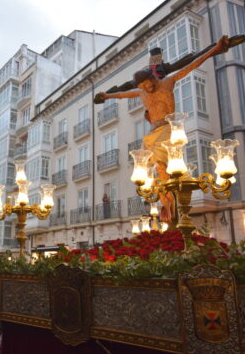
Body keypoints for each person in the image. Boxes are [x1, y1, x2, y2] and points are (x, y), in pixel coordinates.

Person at [95, 35, 231, 222]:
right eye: (142, 86)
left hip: (168, 130)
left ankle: (170, 205)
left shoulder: (168, 82)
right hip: (153, 133)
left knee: (163, 168)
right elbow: (122, 94)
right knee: (155, 171)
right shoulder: (141, 93)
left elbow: (193, 64)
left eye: (147, 83)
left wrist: (216, 49)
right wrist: (107, 96)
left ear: (153, 77)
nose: (146, 88)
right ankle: (165, 204)